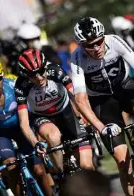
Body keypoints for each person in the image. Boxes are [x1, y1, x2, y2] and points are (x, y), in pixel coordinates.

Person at [71, 17, 134, 196]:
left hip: (125, 88)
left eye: (98, 42)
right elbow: (80, 100)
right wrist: (101, 128)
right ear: (81, 45)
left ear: (103, 37)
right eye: (89, 45)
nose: (96, 48)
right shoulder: (77, 57)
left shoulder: (114, 41)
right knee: (122, 162)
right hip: (102, 102)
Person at [0, 57, 53, 196]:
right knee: (11, 168)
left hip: (21, 128)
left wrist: (38, 137)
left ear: (3, 75)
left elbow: (32, 114)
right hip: (0, 134)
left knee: (39, 170)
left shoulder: (14, 86)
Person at [14, 49, 94, 179]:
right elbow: (24, 122)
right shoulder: (21, 85)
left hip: (65, 111)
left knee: (88, 168)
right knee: (53, 136)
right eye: (33, 75)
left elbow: (77, 96)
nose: (39, 78)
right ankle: (60, 176)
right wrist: (35, 143)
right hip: (41, 117)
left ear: (45, 66)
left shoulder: (55, 71)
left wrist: (87, 116)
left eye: (41, 71)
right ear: (25, 75)